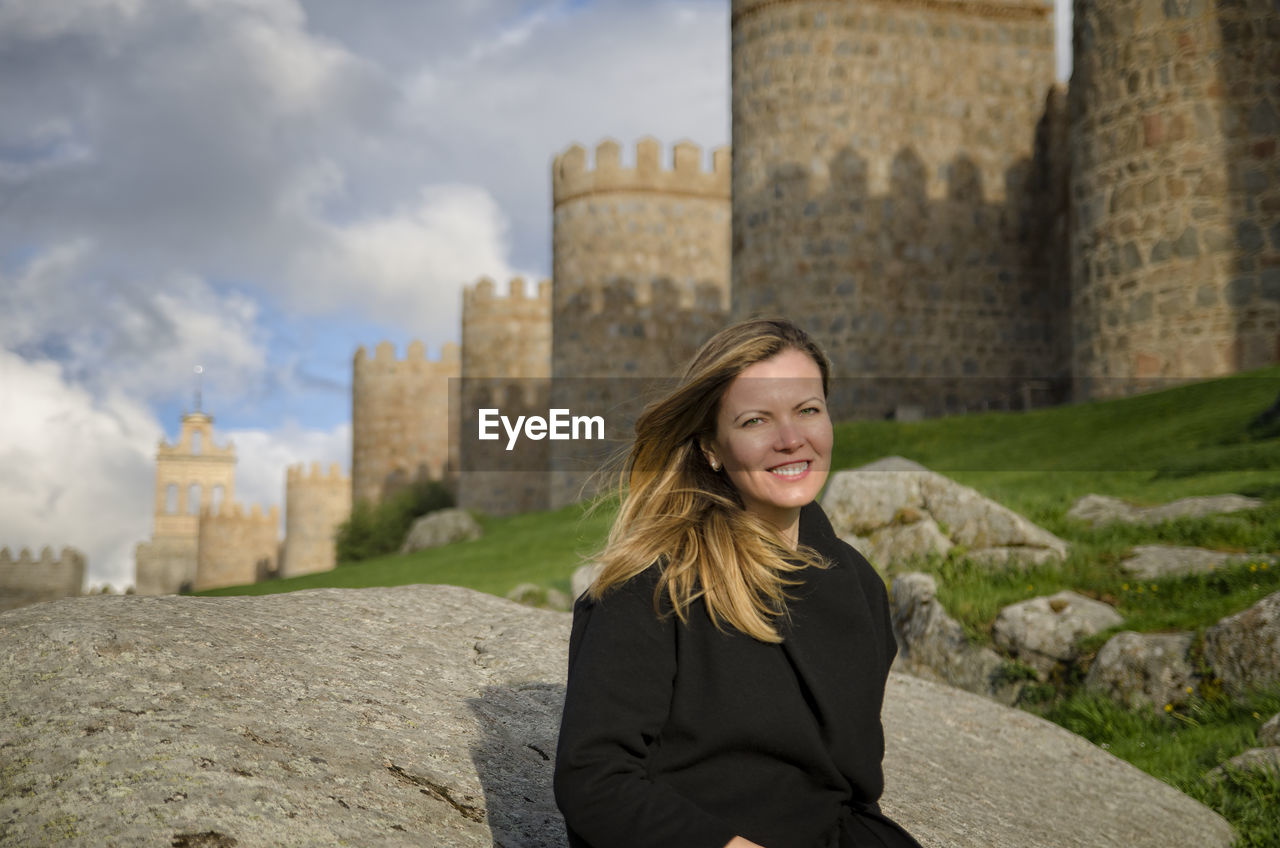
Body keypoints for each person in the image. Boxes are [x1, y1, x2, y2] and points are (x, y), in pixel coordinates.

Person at [554, 318, 923, 848]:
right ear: (711, 447)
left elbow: (850, 784)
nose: (791, 439)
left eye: (808, 410)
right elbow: (594, 780)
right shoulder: (654, 582)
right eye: (755, 420)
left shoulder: (859, 584)